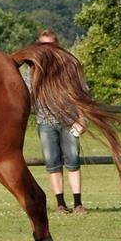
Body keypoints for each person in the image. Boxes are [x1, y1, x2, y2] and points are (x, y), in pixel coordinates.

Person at [27, 29, 87, 214]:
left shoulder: (70, 66)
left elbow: (83, 93)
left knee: (73, 161)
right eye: (43, 45)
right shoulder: (34, 70)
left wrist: (82, 119)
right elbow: (26, 93)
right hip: (45, 121)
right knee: (52, 163)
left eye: (50, 45)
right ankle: (60, 203)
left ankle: (78, 203)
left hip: (70, 120)